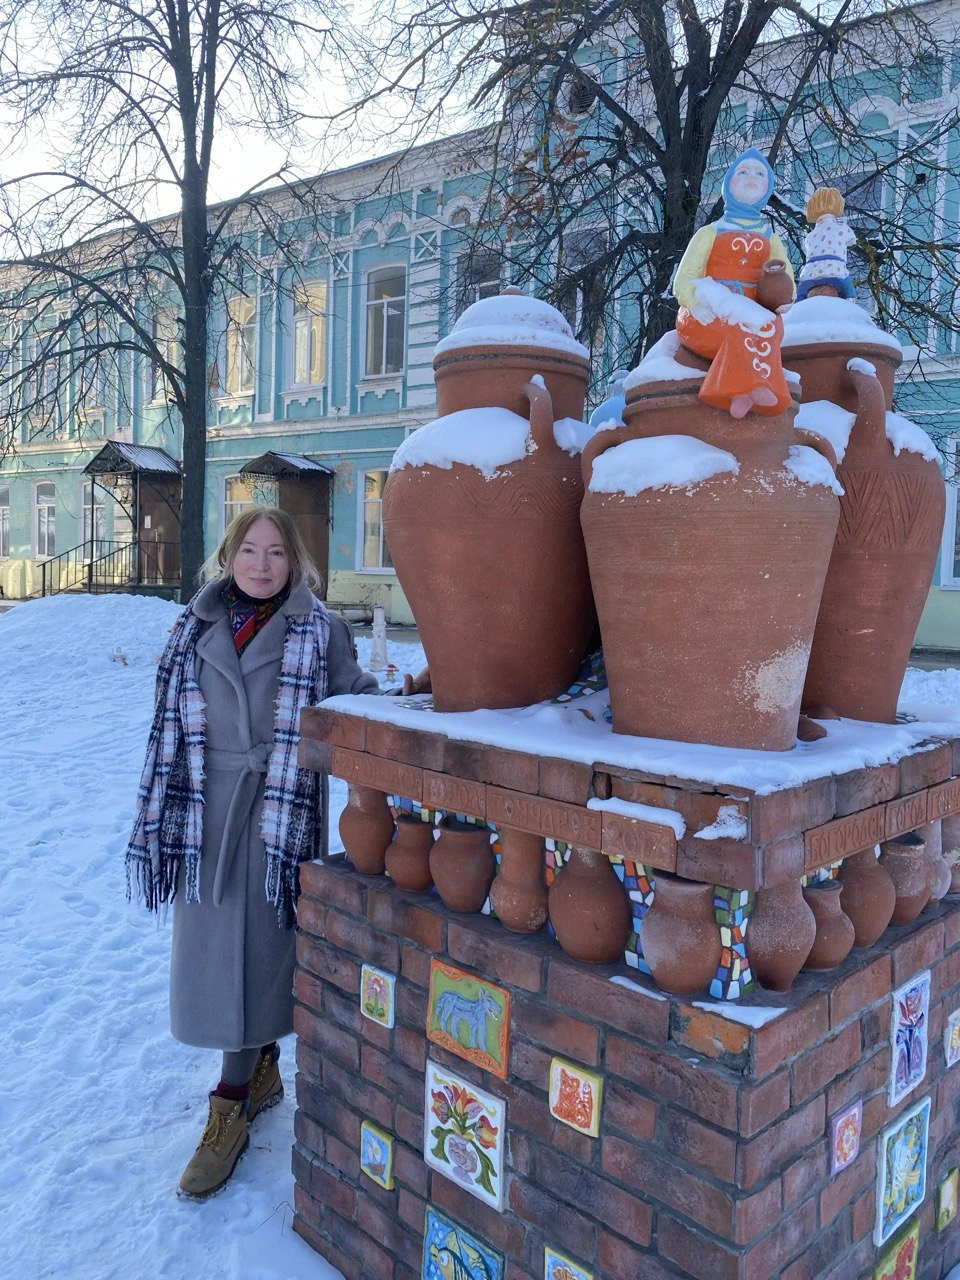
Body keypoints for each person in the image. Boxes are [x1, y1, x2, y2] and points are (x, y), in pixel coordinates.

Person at [125, 507, 378, 1200]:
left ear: (294, 562)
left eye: (275, 552)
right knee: (220, 954)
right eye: (249, 551)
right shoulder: (195, 625)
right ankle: (259, 1063)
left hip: (277, 811)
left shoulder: (317, 630)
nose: (261, 565)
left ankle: (230, 1101)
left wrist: (406, 707)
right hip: (203, 814)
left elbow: (355, 699)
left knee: (260, 950)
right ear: (229, 557)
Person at [673, 147, 796, 419]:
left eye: (760, 173)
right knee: (733, 329)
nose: (751, 177)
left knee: (771, 330)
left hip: (756, 308)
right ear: (728, 182)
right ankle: (737, 392)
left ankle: (753, 391)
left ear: (767, 187)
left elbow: (786, 274)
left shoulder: (770, 237)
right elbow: (684, 279)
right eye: (742, 172)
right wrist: (694, 303)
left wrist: (785, 298)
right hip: (711, 306)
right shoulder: (710, 232)